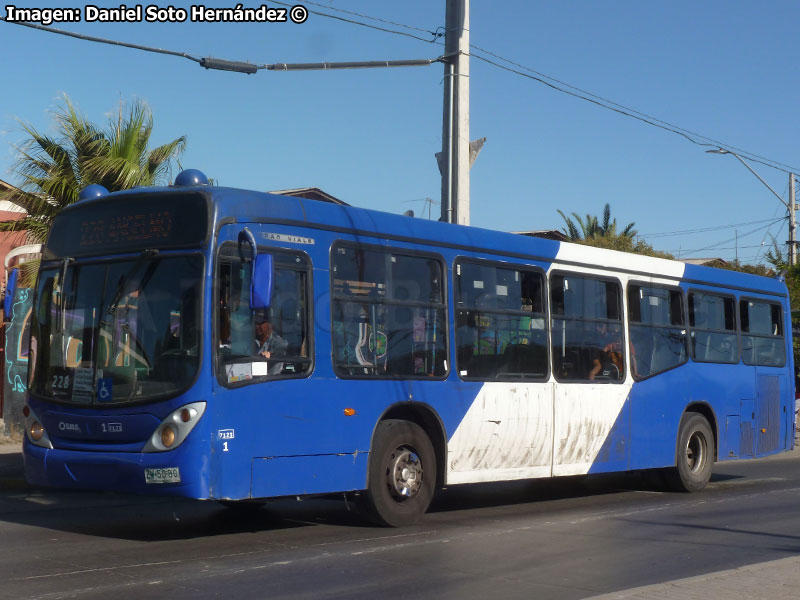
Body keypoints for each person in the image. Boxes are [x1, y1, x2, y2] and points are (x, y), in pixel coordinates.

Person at [254, 309, 288, 375]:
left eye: (261, 322)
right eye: (256, 323)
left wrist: (270, 355)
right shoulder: (249, 340)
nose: (258, 326)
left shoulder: (279, 343)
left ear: (269, 325)